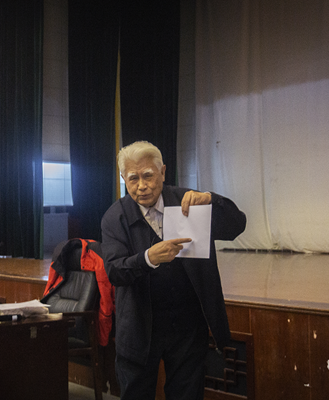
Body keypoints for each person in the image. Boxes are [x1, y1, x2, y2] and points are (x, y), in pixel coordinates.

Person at [101, 141, 246, 400]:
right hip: (139, 326)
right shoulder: (115, 217)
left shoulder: (190, 201)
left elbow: (237, 226)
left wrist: (212, 199)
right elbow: (114, 271)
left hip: (187, 325)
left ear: (163, 172)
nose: (141, 185)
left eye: (148, 175)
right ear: (123, 178)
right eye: (133, 178)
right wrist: (147, 258)